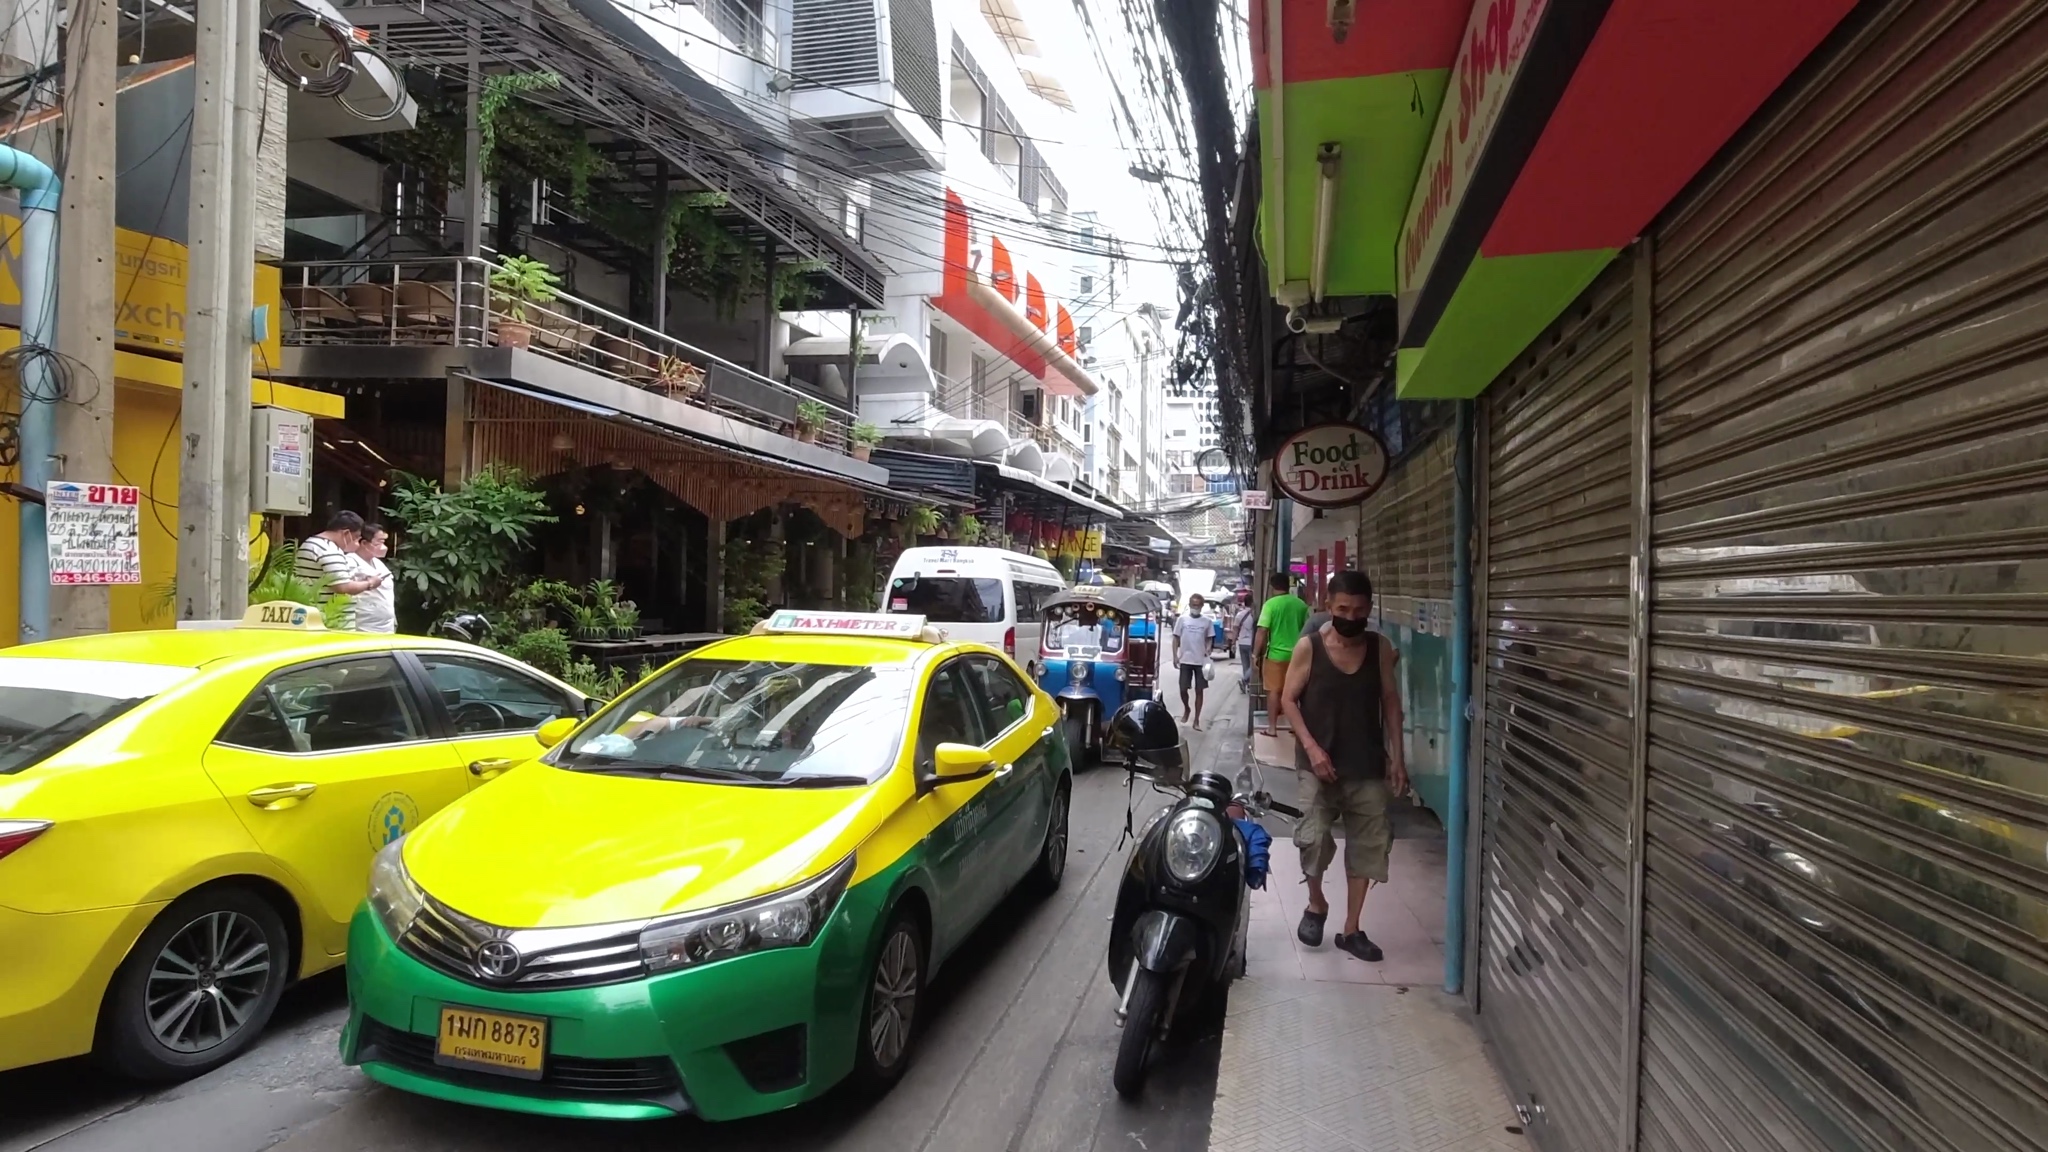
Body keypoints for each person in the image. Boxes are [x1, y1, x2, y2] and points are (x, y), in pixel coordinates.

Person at [1281, 569, 1407, 964]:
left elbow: (1390, 702)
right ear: (1328, 606)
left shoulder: (1380, 648)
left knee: (1368, 846)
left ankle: (1351, 929)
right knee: (1314, 838)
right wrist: (1312, 749)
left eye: (1359, 610)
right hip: (1318, 764)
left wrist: (1398, 758)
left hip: (1366, 763)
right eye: (1342, 609)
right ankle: (1316, 904)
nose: (1351, 617)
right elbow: (1288, 700)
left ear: (1369, 609)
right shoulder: (1310, 648)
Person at [295, 510, 383, 631]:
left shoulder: (310, 543)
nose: (356, 543)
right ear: (346, 533)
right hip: (331, 622)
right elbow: (343, 587)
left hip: (316, 617)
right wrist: (370, 583)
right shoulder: (329, 550)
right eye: (356, 538)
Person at [1252, 571, 1309, 736]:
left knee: (1274, 691)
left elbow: (1262, 631)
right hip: (1298, 655)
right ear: (1289, 585)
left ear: (1272, 587)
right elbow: (1308, 630)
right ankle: (1295, 727)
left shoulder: (1270, 605)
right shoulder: (1301, 605)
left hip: (1275, 655)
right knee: (1296, 692)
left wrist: (1256, 654)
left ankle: (1272, 728)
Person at [1170, 593, 1213, 730]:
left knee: (1199, 690)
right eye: (1193, 605)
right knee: (1183, 689)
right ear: (1189, 605)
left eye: (1198, 605)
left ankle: (1196, 720)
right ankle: (1187, 708)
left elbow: (1209, 638)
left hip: (1200, 661)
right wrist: (1175, 656)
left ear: (1201, 606)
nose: (1195, 607)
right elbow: (1176, 638)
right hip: (1185, 660)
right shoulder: (1182, 620)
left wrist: (1208, 648)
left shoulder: (1207, 621)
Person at [353, 523, 397, 634]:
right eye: (379, 542)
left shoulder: (378, 563)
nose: (383, 546)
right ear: (364, 543)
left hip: (387, 626)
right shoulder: (351, 562)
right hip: (364, 626)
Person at [1227, 593, 1258, 692]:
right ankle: (1245, 681)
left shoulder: (1239, 615)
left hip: (1242, 643)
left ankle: (1247, 684)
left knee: (1245, 665)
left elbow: (1235, 630)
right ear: (1253, 603)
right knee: (1253, 665)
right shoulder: (1255, 615)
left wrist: (1233, 643)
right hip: (1252, 643)